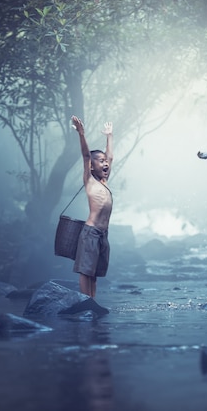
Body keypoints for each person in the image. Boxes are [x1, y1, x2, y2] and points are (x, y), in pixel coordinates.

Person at [71, 115, 113, 297]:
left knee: (94, 272)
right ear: (91, 167)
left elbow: (110, 156)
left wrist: (109, 137)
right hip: (91, 232)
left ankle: (92, 302)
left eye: (105, 161)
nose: (105, 163)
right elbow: (86, 155)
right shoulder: (90, 180)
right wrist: (81, 134)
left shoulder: (104, 181)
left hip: (103, 234)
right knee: (85, 270)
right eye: (100, 161)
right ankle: (85, 301)